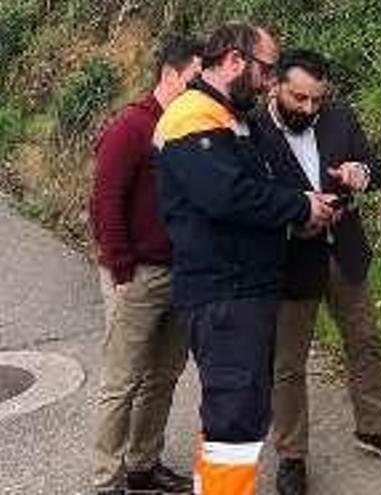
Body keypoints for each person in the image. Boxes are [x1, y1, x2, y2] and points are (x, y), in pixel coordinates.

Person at [153, 24, 337, 495]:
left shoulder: (230, 116)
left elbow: (260, 184)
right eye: (266, 70)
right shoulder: (192, 115)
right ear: (235, 61)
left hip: (244, 292)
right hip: (225, 295)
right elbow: (227, 195)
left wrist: (300, 208)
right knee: (234, 423)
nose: (268, 82)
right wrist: (299, 207)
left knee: (233, 418)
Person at [249, 48, 381, 495]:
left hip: (344, 250)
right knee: (288, 363)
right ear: (275, 86)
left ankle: (373, 426)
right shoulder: (251, 128)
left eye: (317, 101)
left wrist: (361, 173)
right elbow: (246, 199)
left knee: (365, 341)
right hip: (289, 259)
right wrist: (295, 216)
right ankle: (291, 455)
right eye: (299, 99)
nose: (309, 109)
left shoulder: (339, 117)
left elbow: (376, 169)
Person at [89, 35, 202, 495]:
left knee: (163, 375)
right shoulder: (131, 127)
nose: (199, 91)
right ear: (169, 74)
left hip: (181, 273)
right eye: (193, 80)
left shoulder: (191, 127)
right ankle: (106, 477)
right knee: (122, 381)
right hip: (137, 274)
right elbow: (105, 201)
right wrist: (120, 267)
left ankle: (143, 464)